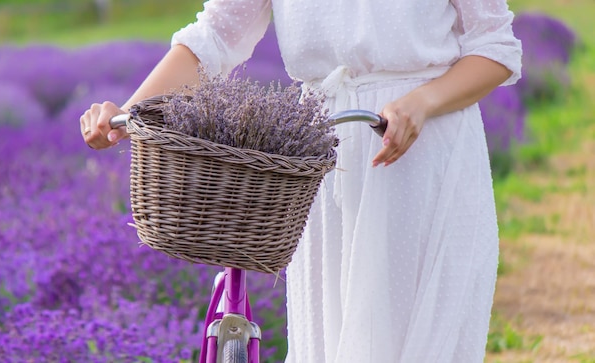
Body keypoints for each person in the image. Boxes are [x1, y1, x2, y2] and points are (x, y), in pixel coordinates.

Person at [80, 1, 522, 362]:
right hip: (318, 151)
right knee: (328, 343)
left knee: (411, 341)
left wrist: (423, 101)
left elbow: (495, 47)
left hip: (423, 150)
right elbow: (214, 37)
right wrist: (127, 116)